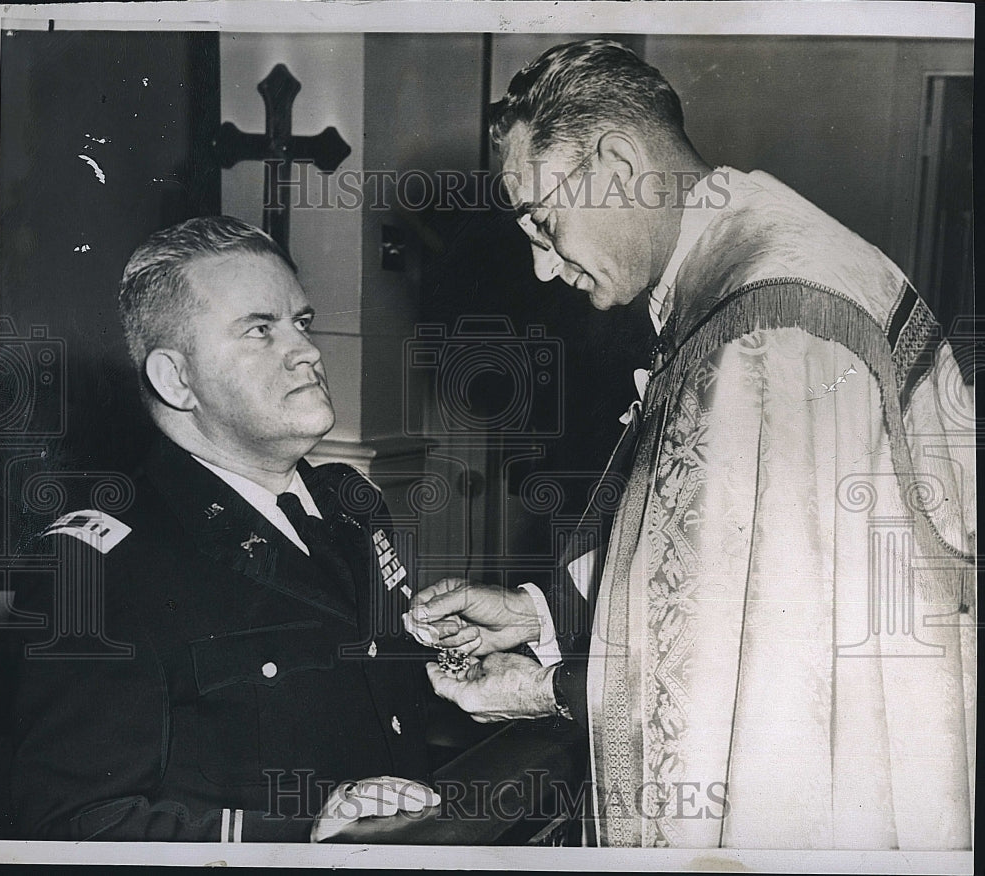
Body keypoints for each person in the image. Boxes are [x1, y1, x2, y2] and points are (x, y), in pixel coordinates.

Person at [410, 40, 976, 848]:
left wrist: (546, 688)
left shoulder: (766, 332)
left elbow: (756, 671)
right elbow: (717, 574)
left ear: (615, 161)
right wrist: (542, 615)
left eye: (541, 219)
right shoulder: (759, 263)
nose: (540, 267)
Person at [3, 216, 438, 842]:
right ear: (177, 380)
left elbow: (376, 703)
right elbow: (70, 825)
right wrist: (300, 831)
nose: (309, 351)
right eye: (261, 331)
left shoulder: (350, 504)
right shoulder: (95, 570)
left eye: (301, 322)